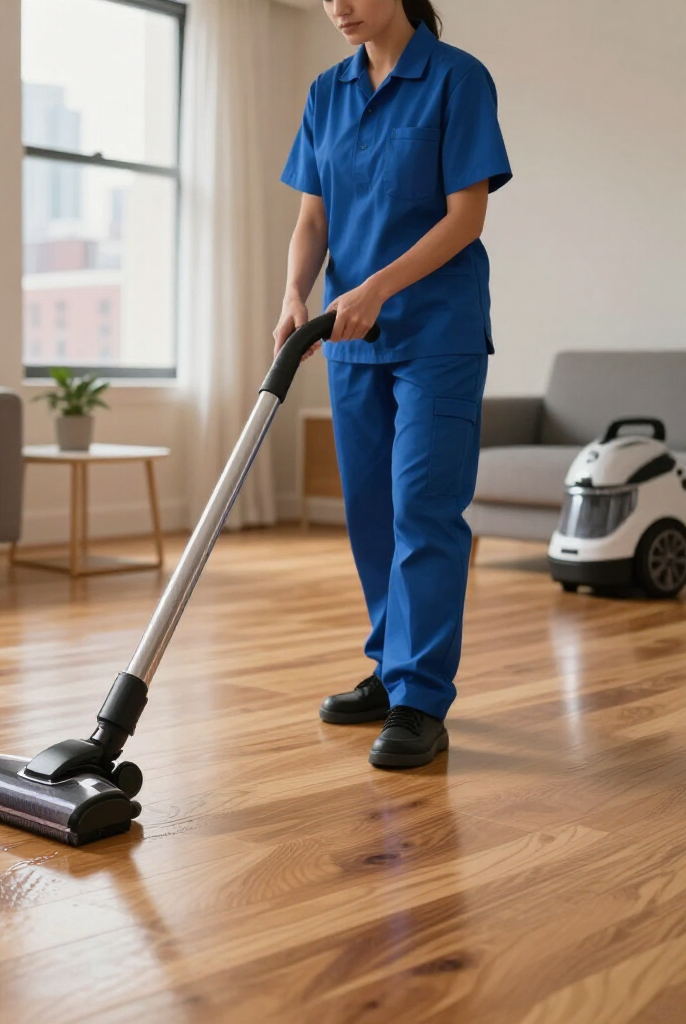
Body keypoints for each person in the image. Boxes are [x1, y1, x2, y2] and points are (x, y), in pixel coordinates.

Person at [275, 0, 512, 768]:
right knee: (372, 514)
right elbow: (313, 219)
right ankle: (389, 669)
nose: (338, 5)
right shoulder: (325, 92)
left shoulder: (457, 79)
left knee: (424, 508)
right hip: (351, 340)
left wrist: (376, 286)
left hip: (435, 335)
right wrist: (293, 298)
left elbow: (464, 216)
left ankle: (419, 699)